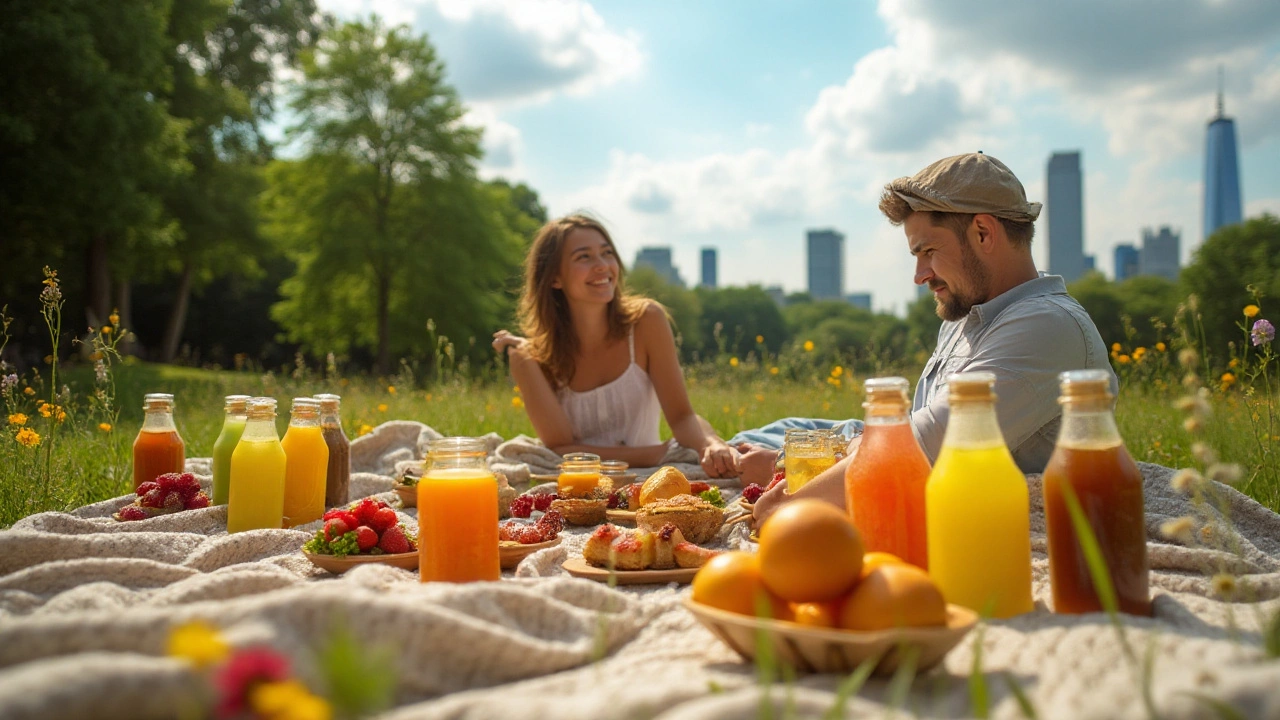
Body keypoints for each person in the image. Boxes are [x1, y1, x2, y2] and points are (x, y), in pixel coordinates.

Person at [752, 152, 1116, 524]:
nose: (919, 275)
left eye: (928, 251)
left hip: (980, 519)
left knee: (799, 444)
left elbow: (918, 447)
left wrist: (789, 510)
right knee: (777, 434)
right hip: (923, 473)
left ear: (983, 233)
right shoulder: (965, 317)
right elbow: (909, 432)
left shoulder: (1046, 325)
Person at [493, 214, 739, 478]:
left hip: (648, 479)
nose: (602, 266)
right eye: (584, 257)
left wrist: (710, 443)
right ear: (554, 278)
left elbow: (682, 417)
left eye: (607, 253)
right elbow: (559, 449)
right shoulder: (530, 358)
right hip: (586, 482)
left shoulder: (646, 321)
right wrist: (656, 454)